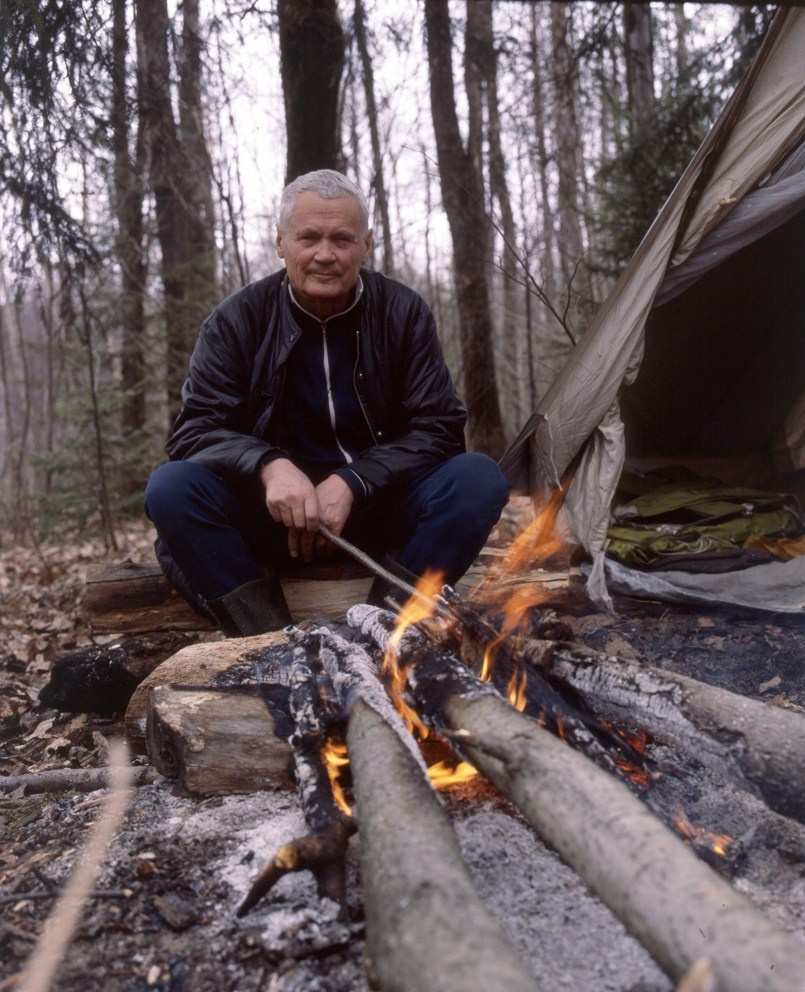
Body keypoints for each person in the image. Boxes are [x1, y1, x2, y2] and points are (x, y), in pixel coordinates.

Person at [144, 169, 509, 636]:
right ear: (280, 242)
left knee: (478, 478)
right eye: (308, 237)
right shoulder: (236, 320)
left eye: (342, 239)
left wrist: (354, 481)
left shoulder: (403, 312)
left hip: (377, 516)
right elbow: (194, 431)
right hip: (270, 521)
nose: (325, 255)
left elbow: (439, 428)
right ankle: (269, 640)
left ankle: (385, 634)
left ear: (367, 244)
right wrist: (269, 465)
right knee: (171, 488)